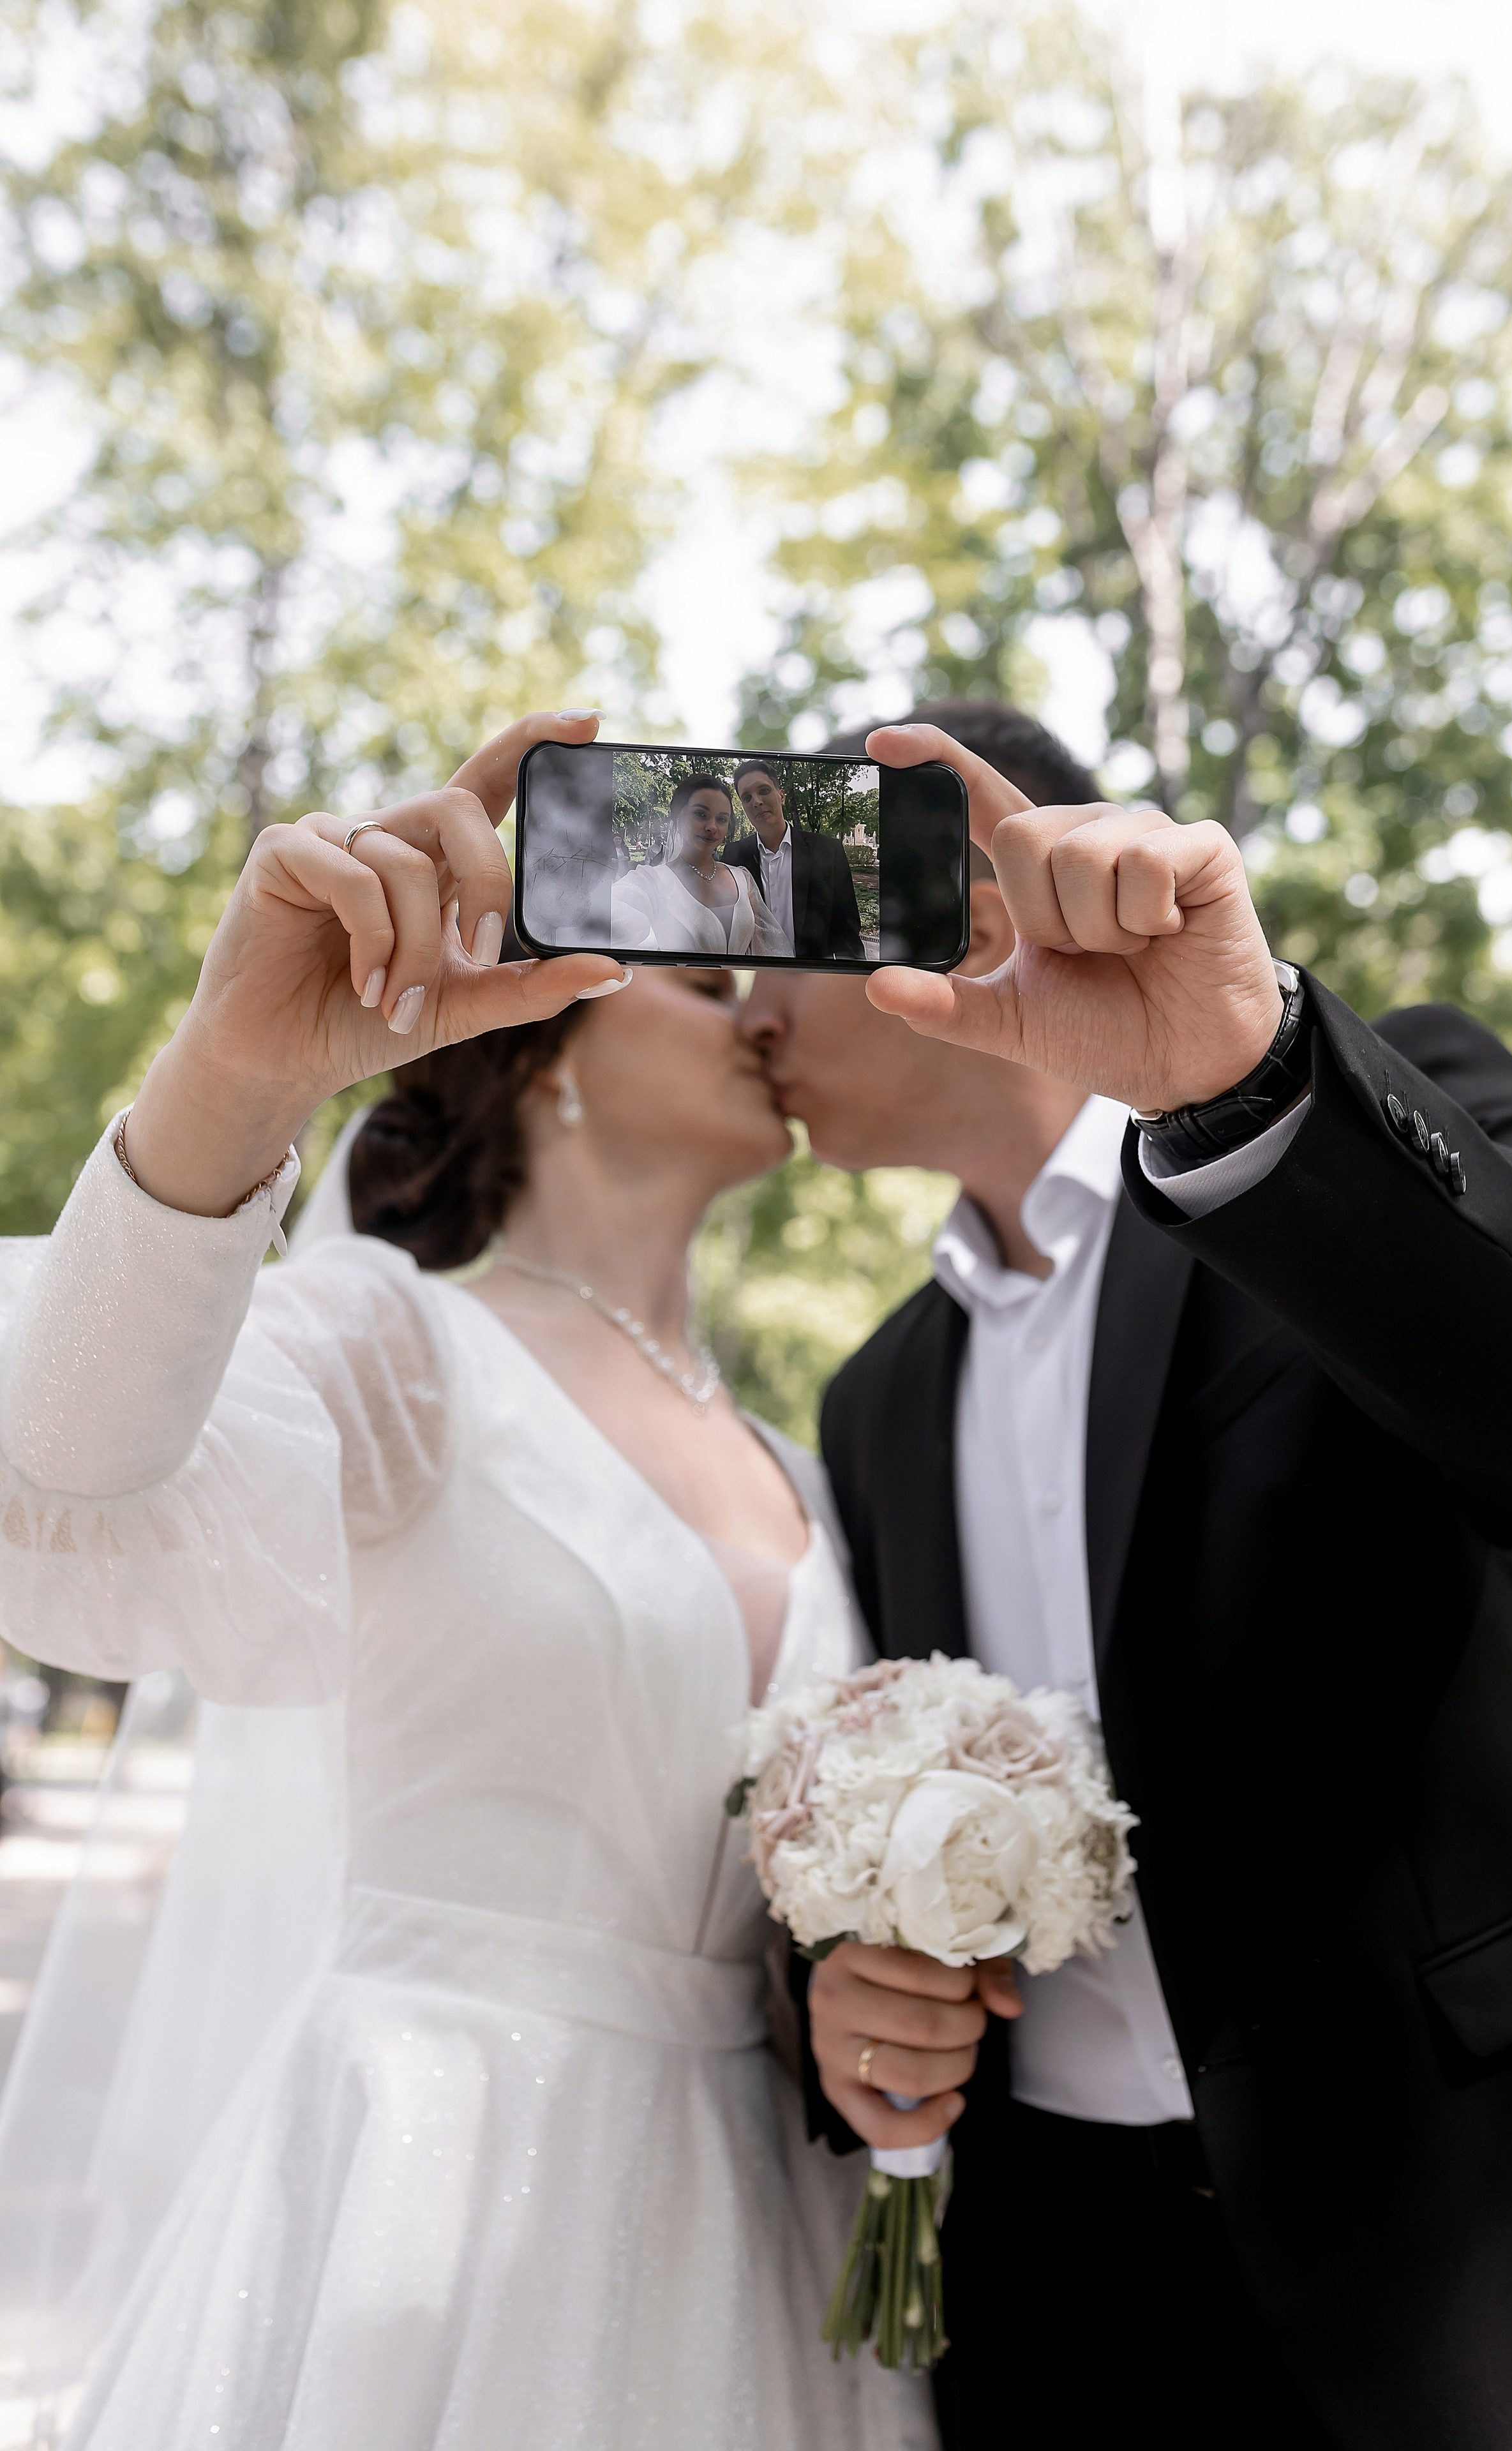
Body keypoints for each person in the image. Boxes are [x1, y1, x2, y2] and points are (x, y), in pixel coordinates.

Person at [0, 714, 930, 2451]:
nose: (758, 1009)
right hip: (422, 2192)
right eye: (701, 977)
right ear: (544, 1043)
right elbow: (56, 1486)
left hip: (750, 2234)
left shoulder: (810, 1466)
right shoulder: (402, 1345)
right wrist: (237, 1073)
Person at [742, 703, 1512, 2451]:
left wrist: (1239, 1067)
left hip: (1475, 2249)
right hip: (1071, 2296)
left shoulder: (1326, 1134)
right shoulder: (874, 1400)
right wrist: (851, 1985)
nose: (745, 1012)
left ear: (968, 912)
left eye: (781, 948)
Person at [612, 774, 790, 957]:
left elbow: (763, 948)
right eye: (701, 814)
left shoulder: (743, 879)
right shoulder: (651, 881)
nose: (712, 827)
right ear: (678, 816)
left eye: (722, 819)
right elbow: (608, 912)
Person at [722, 760, 865, 963]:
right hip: (756, 974)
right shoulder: (733, 856)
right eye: (747, 797)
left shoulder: (827, 851)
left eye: (764, 791)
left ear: (781, 796)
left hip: (812, 975)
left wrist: (850, 976)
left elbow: (847, 930)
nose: (757, 801)